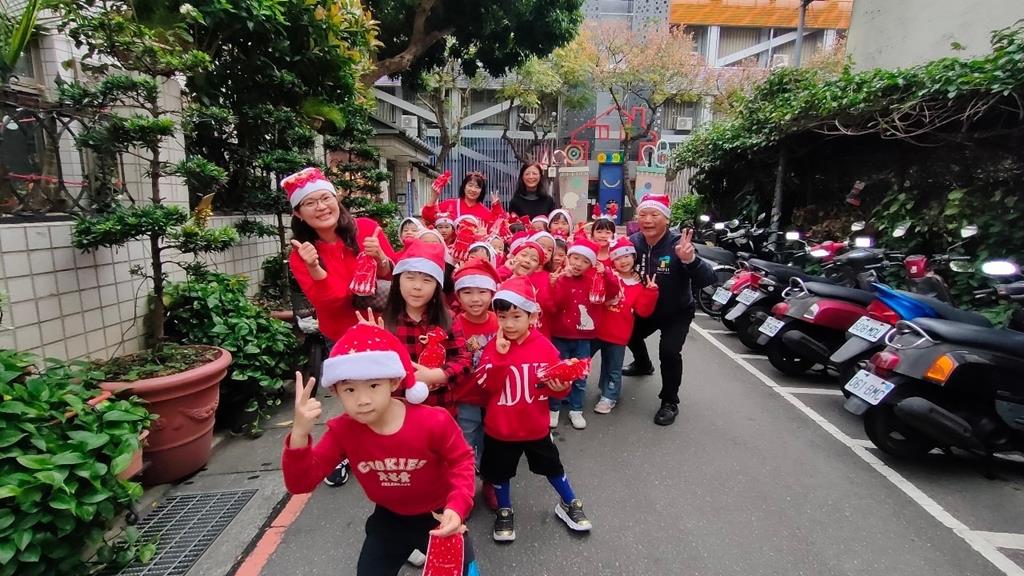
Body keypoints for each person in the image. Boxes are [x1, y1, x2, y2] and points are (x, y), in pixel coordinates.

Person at [281, 319, 478, 576]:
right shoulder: (343, 430)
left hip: (439, 514)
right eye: (349, 389)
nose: (362, 400)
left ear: (394, 382)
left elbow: (462, 461)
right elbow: (301, 483)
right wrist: (299, 434)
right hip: (389, 518)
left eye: (373, 386)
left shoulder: (433, 421)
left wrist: (457, 506)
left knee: (463, 569)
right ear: (336, 391)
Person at [285, 166, 397, 487]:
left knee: (392, 388)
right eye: (310, 203)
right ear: (299, 214)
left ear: (337, 199)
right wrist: (315, 268)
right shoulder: (301, 254)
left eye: (325, 198)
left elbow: (396, 276)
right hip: (342, 335)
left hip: (383, 327)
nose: (321, 207)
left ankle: (396, 444)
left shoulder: (367, 228)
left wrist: (381, 259)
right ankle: (344, 450)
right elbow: (332, 303)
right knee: (355, 396)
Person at [475, 276, 592, 542]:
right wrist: (500, 356)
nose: (509, 324)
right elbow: (487, 385)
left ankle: (568, 502)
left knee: (552, 467)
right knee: (500, 472)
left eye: (516, 317)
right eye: (502, 317)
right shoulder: (493, 346)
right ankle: (504, 509)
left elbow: (555, 388)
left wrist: (560, 387)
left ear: (532, 316)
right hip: (501, 429)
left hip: (535, 427)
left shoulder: (544, 346)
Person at [625, 194, 715, 426]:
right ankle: (643, 364)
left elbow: (707, 279)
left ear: (666, 219)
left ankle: (669, 401)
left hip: (677, 311)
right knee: (626, 332)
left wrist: (690, 260)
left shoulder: (679, 243)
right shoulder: (632, 242)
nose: (648, 220)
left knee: (669, 352)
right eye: (643, 214)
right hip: (645, 308)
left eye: (654, 214)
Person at [383, 240, 472, 415]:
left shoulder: (448, 319)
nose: (417, 286)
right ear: (398, 280)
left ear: (437, 286)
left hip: (440, 408)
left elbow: (464, 360)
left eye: (427, 280)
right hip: (397, 411)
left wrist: (436, 375)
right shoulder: (384, 321)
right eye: (410, 277)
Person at [547, 236, 620, 430]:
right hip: (560, 335)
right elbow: (556, 305)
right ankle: (553, 409)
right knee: (558, 373)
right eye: (575, 258)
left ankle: (576, 409)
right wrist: (561, 281)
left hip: (583, 337)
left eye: (585, 261)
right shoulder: (560, 277)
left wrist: (607, 273)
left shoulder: (595, 279)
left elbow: (613, 292)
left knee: (580, 376)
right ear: (568, 257)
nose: (579, 264)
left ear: (591, 264)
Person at [451, 258, 502, 511]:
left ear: (492, 293)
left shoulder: (500, 321)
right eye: (467, 292)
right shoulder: (453, 324)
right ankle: (465, 488)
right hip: (465, 397)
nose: (475, 299)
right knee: (464, 444)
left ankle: (491, 482)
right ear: (458, 296)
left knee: (492, 444)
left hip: (494, 397)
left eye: (482, 291)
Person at [593, 236, 659, 414]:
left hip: (619, 333)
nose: (623, 261)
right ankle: (574, 391)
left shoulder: (638, 284)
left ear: (634, 257)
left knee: (613, 367)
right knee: (583, 360)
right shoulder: (608, 276)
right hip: (596, 330)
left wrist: (651, 291)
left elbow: (643, 311)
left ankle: (610, 396)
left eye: (627, 256)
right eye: (618, 258)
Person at [423, 171, 499, 226]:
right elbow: (428, 218)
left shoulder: (485, 212)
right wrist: (434, 196)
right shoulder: (450, 204)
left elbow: (496, 229)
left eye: (477, 187)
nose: (473, 190)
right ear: (464, 187)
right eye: (470, 185)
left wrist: (497, 209)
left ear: (482, 191)